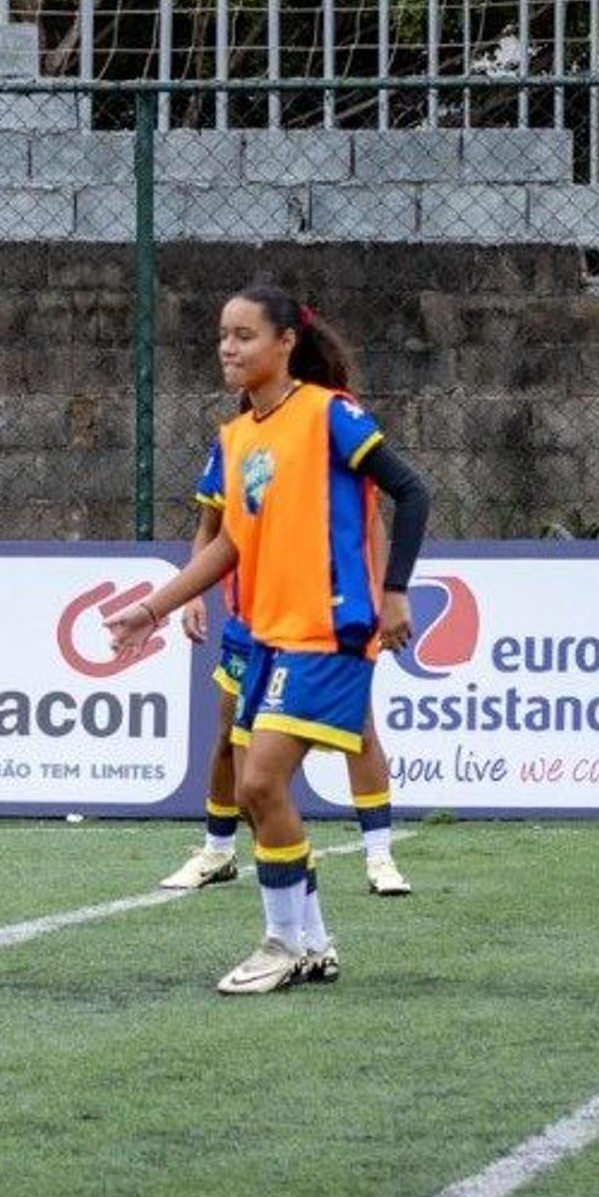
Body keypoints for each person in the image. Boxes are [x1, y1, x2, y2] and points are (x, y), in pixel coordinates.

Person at [108, 285, 434, 994]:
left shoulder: (329, 415)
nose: (229, 347)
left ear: (286, 341)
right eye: (224, 334)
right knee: (258, 793)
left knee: (259, 782)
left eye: (245, 334)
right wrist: (153, 608)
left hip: (329, 630)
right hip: (267, 638)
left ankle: (283, 941)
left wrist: (394, 589)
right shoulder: (236, 439)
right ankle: (311, 943)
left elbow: (413, 492)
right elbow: (229, 544)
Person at [158, 498, 412, 900]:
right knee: (230, 740)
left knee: (360, 731)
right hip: (251, 624)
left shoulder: (331, 441)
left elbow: (373, 517)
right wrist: (189, 596)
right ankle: (217, 852)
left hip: (321, 619)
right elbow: (215, 531)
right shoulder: (232, 448)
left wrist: (385, 593)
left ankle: (379, 857)